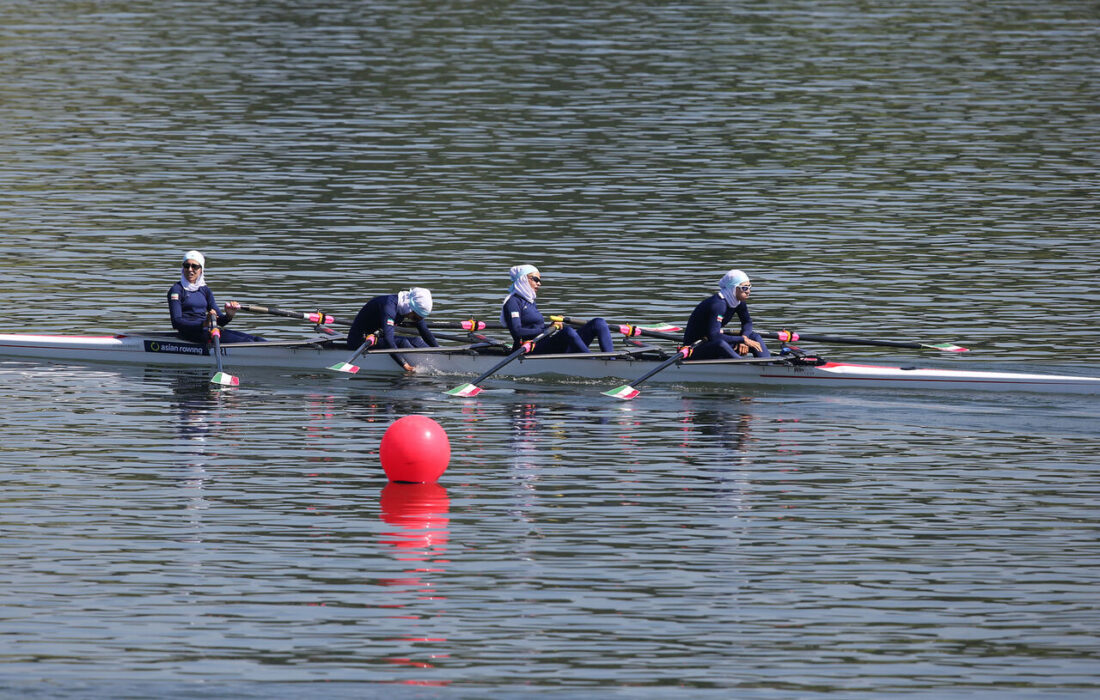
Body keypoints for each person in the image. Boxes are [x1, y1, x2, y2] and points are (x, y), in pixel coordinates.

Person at [500, 264, 614, 354]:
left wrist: (551, 326)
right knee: (567, 332)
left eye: (539, 280)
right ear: (523, 279)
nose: (539, 283)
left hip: (545, 344)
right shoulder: (512, 303)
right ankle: (593, 365)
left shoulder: (529, 301)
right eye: (535, 279)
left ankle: (611, 362)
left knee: (598, 323)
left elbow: (536, 327)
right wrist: (547, 330)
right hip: (530, 349)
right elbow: (517, 331)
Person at [168, 250, 265, 344]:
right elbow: (176, 322)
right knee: (247, 342)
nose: (190, 269)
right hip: (190, 334)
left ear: (201, 269)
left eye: (194, 266)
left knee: (257, 339)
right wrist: (203, 324)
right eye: (186, 266)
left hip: (207, 330)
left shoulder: (204, 290)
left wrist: (229, 315)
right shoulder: (176, 290)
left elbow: (220, 321)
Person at [682, 269, 770, 360]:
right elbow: (714, 336)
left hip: (711, 342)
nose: (748, 291)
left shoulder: (738, 302)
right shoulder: (718, 304)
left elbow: (747, 322)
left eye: (749, 287)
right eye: (744, 288)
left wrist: (745, 338)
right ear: (733, 288)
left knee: (754, 336)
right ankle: (745, 368)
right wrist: (742, 340)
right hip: (694, 348)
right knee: (721, 344)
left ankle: (768, 365)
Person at [346, 287, 437, 371]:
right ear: (411, 309)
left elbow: (424, 331)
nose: (414, 320)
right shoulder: (389, 307)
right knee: (402, 342)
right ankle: (421, 363)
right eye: (415, 318)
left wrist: (440, 350)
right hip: (359, 340)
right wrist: (405, 365)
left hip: (377, 337)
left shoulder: (408, 306)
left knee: (417, 340)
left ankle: (438, 357)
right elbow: (388, 340)